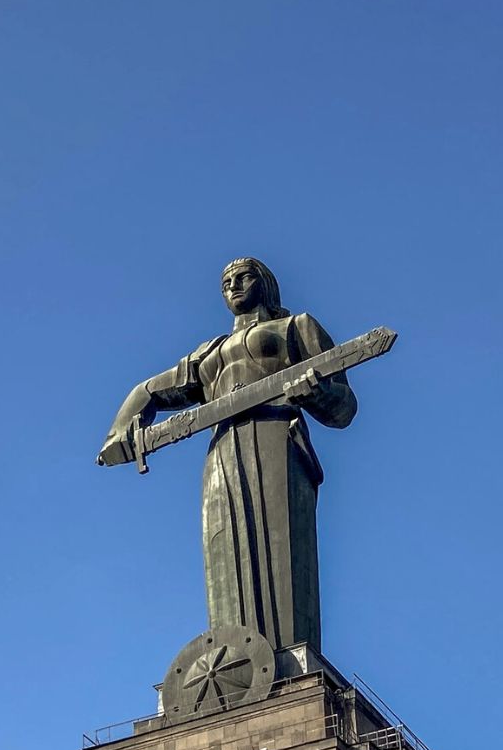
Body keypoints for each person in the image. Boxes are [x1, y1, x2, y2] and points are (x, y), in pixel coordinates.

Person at [98, 258, 357, 652]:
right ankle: (237, 653)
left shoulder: (295, 327)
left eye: (243, 277)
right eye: (225, 282)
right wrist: (120, 429)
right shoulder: (209, 353)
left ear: (265, 283)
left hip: (277, 436)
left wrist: (316, 394)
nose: (233, 286)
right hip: (222, 451)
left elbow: (345, 407)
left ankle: (290, 653)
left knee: (282, 546)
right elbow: (148, 390)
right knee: (223, 549)